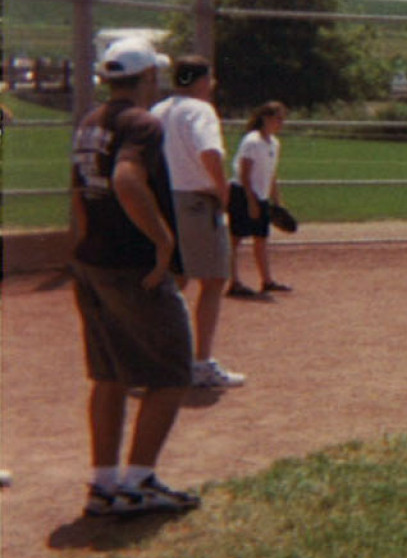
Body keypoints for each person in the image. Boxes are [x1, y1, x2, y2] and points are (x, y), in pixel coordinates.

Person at [69, 38, 201, 520]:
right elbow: (127, 180)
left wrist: (82, 247)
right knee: (170, 374)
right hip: (132, 267)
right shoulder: (142, 123)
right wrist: (164, 244)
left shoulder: (90, 122)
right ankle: (139, 480)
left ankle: (104, 485)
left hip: (92, 263)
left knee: (109, 376)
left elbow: (82, 192)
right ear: (148, 77)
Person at [152, 56, 243, 389]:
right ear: (202, 80)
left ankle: (160, 358)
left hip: (163, 200)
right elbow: (210, 153)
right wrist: (223, 191)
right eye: (210, 78)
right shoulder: (200, 110)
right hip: (195, 201)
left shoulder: (159, 109)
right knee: (214, 279)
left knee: (174, 280)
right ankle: (200, 362)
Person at [229, 101, 290, 297]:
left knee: (261, 239)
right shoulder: (252, 141)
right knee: (235, 239)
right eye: (277, 118)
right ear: (265, 118)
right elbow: (244, 174)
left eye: (282, 119)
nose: (281, 123)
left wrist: (277, 202)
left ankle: (267, 281)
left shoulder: (274, 143)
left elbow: (272, 174)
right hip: (242, 193)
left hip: (260, 196)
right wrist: (251, 201)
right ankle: (234, 282)